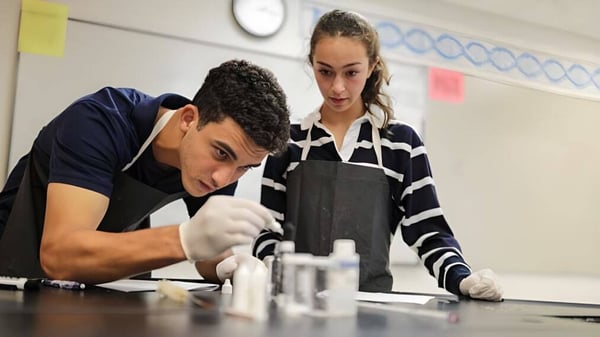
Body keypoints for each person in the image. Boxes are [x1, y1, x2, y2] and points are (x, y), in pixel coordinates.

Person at [252, 9, 503, 301]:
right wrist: (270, 265)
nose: (337, 87)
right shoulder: (289, 141)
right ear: (312, 64)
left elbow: (427, 230)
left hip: (370, 310)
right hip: (294, 305)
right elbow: (268, 229)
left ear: (372, 66)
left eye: (351, 72)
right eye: (325, 71)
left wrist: (463, 279)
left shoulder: (400, 144)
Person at [0, 59, 290, 284]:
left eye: (244, 168)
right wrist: (183, 240)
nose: (222, 179)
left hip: (101, 285)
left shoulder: (219, 166)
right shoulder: (99, 123)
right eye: (221, 153)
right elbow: (60, 255)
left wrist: (234, 268)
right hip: (15, 275)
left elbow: (208, 256)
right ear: (189, 119)